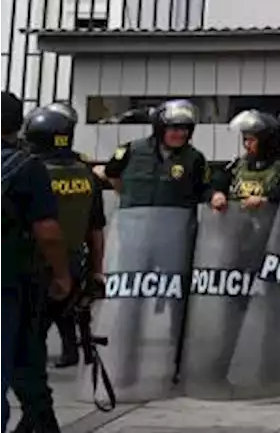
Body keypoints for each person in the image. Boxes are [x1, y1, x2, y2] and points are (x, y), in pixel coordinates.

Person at [0, 93, 72, 433]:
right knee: (19, 360)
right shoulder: (25, 168)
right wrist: (62, 275)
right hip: (10, 281)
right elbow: (48, 233)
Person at [23, 104, 102, 371]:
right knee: (66, 310)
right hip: (75, 259)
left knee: (33, 324)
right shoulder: (86, 173)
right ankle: (71, 351)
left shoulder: (32, 172)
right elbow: (95, 229)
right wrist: (96, 270)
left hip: (35, 260)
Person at [98, 99, 209, 209]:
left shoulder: (195, 157)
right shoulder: (131, 150)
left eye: (185, 129)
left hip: (177, 223)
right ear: (160, 129)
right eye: (175, 128)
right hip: (134, 222)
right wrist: (126, 195)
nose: (181, 134)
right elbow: (111, 172)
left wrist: (215, 196)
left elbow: (204, 188)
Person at [210, 110, 280, 211]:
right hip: (238, 223)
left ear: (266, 142)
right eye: (245, 139)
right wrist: (217, 194)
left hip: (271, 224)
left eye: (251, 140)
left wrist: (265, 200)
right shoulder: (238, 164)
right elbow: (216, 181)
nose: (246, 144)